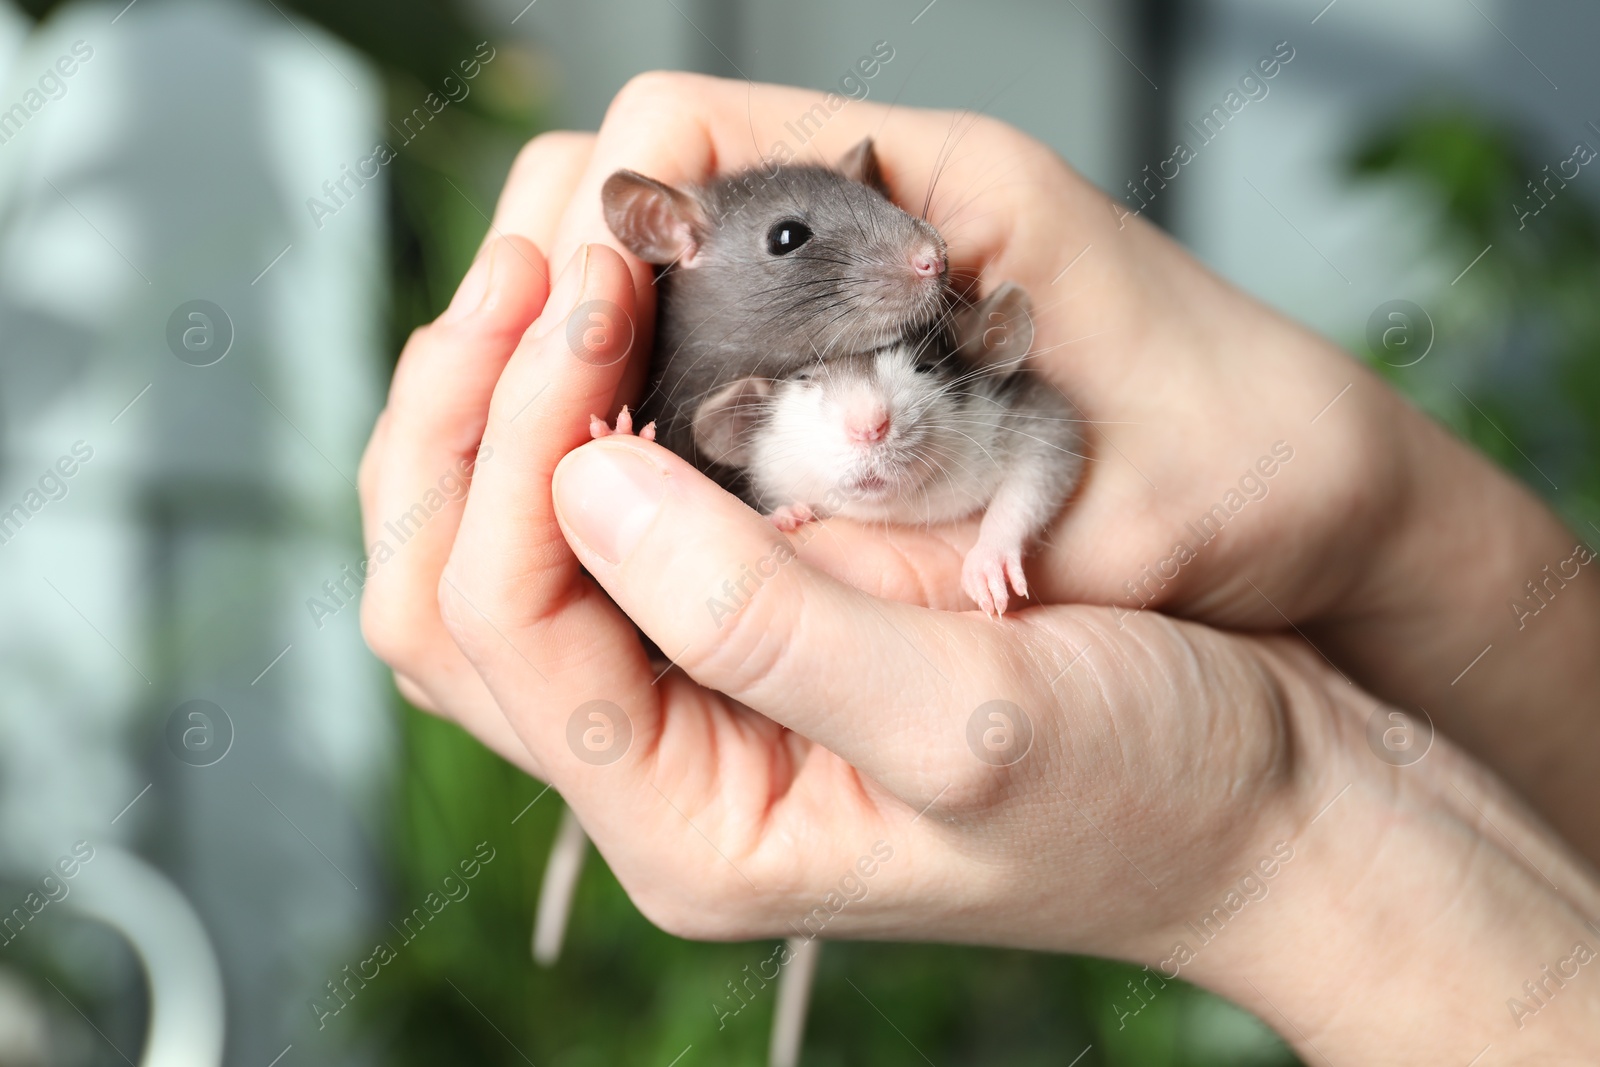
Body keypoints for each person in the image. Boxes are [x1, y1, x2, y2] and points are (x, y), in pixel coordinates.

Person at [356, 73, 1600, 1060]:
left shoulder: (945, 379)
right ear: (668, 236)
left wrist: (1272, 806)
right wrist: (1385, 523)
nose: (922, 254)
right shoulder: (724, 383)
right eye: (795, 237)